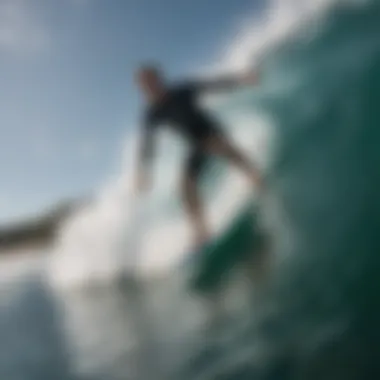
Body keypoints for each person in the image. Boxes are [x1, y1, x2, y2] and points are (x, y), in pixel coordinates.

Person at [134, 63, 263, 248]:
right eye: (144, 87)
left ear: (159, 79)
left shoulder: (182, 91)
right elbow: (148, 143)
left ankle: (256, 178)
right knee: (185, 187)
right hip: (195, 144)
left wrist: (242, 79)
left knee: (222, 148)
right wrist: (144, 171)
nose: (149, 89)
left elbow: (213, 85)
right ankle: (201, 230)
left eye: (150, 82)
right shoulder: (152, 114)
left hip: (210, 131)